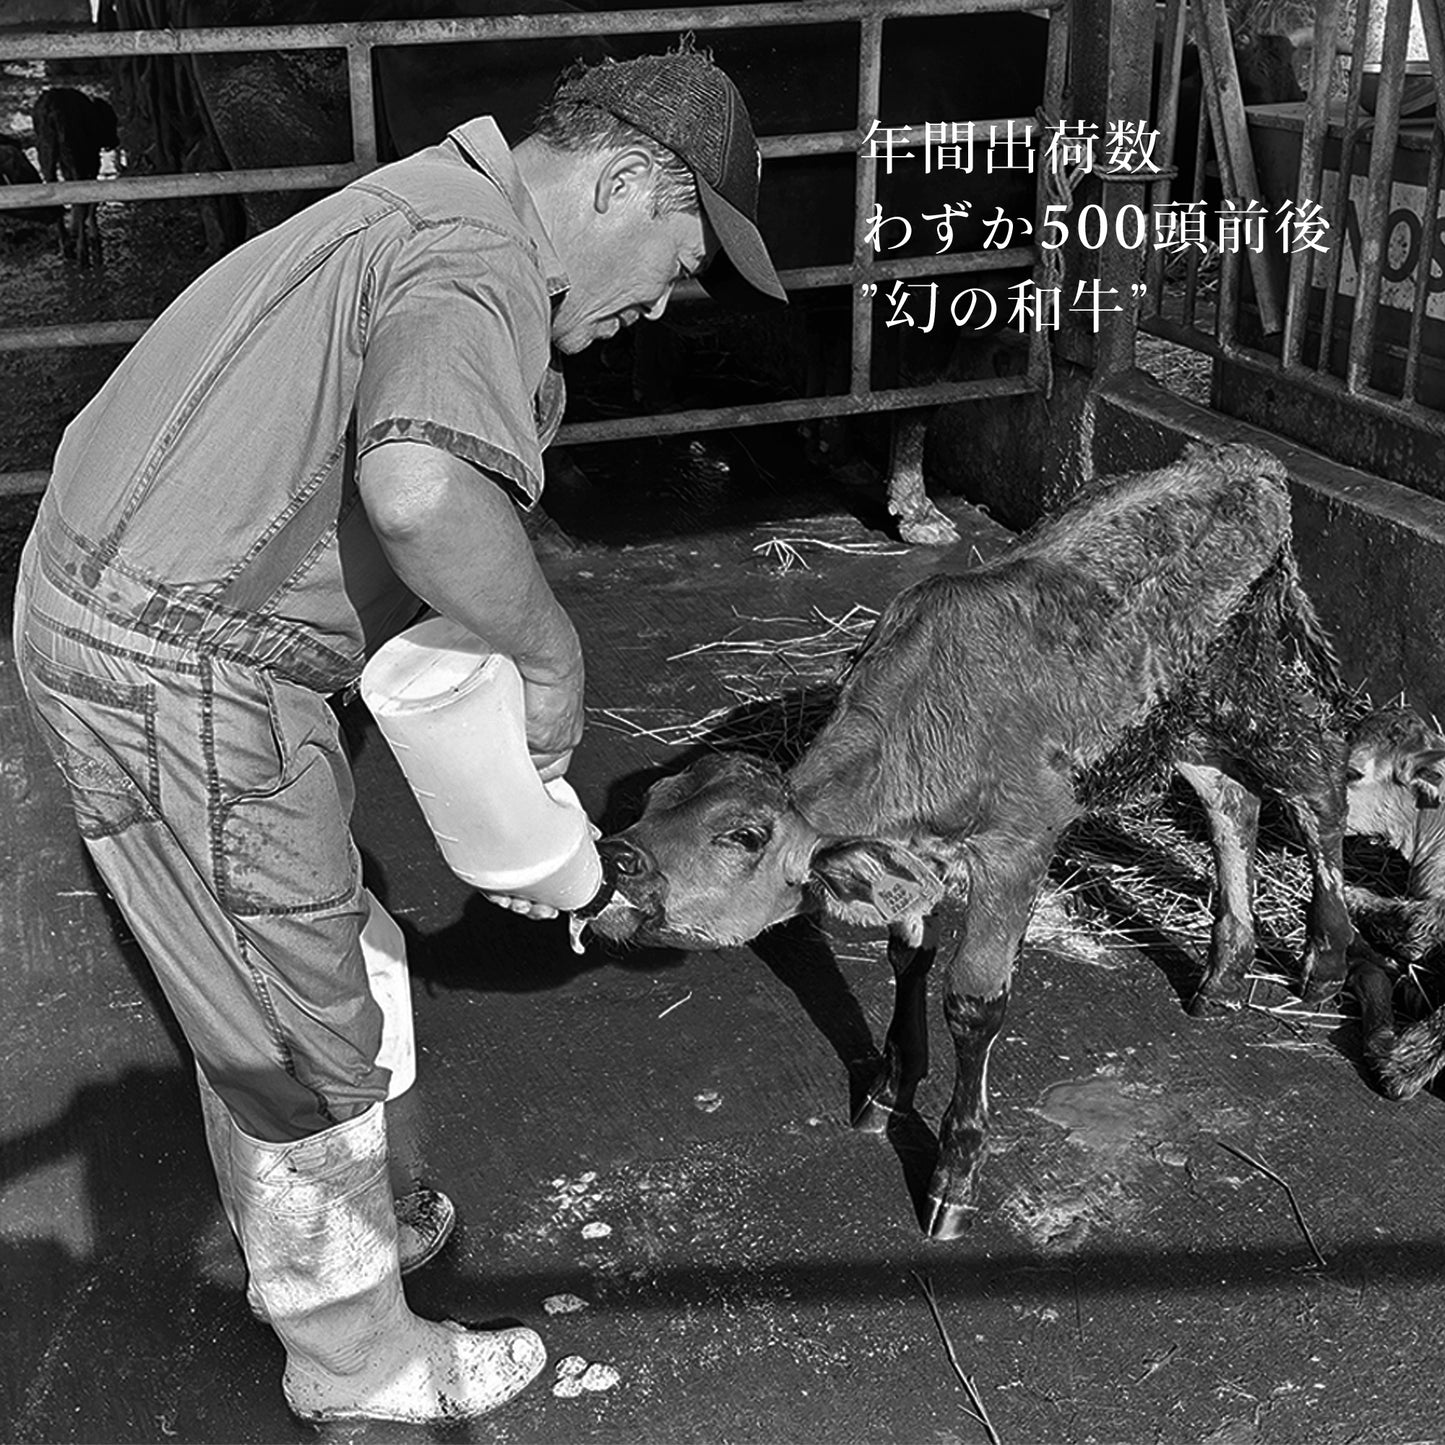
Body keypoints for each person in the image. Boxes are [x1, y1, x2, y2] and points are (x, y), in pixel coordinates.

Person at [11, 44, 784, 1426]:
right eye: (678, 255)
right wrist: (548, 647)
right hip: (184, 660)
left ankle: (358, 1232)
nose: (666, 301)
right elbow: (423, 493)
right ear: (620, 180)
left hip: (143, 611)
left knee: (324, 945)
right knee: (296, 1023)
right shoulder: (474, 263)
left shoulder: (427, 207)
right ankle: (353, 1359)